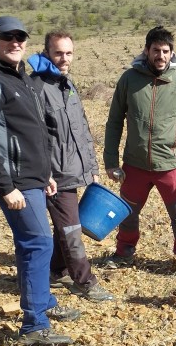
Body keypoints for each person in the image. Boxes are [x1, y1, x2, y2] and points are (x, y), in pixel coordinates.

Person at [0, 16, 80, 346]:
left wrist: (45, 176)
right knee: (37, 243)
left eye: (21, 37)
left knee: (38, 244)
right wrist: (5, 186)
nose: (15, 43)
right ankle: (34, 325)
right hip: (13, 181)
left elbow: (31, 132)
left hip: (32, 178)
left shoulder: (17, 76)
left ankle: (44, 304)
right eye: (7, 37)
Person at [102, 26, 176, 276]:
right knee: (127, 213)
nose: (161, 56)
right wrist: (111, 161)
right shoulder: (129, 80)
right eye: (156, 51)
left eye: (166, 51)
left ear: (172, 53)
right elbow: (114, 121)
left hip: (169, 165)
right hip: (135, 164)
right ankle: (123, 254)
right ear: (146, 51)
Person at [28, 31, 114, 302]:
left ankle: (57, 270)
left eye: (68, 53)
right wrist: (45, 174)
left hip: (73, 170)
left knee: (65, 226)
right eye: (58, 53)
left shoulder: (66, 85)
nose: (64, 59)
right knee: (71, 230)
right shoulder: (37, 87)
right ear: (46, 53)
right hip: (55, 176)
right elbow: (33, 138)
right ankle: (84, 282)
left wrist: (91, 167)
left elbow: (82, 130)